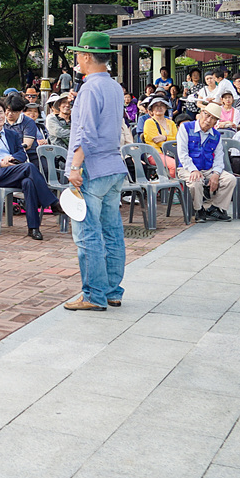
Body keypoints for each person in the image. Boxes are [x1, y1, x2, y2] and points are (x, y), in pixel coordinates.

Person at [63, 31, 130, 312]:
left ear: (87, 56)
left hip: (92, 167)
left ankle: (93, 294)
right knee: (112, 231)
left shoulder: (90, 89)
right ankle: (112, 291)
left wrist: (75, 166)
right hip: (113, 166)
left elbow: (86, 134)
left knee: (87, 234)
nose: (77, 60)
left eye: (79, 55)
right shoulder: (114, 86)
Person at [0, 98, 60, 241]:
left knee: (28, 183)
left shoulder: (12, 134)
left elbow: (21, 153)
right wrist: (0, 163)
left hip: (15, 170)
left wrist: (12, 158)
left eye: (1, 112)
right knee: (29, 167)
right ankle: (53, 202)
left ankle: (33, 228)